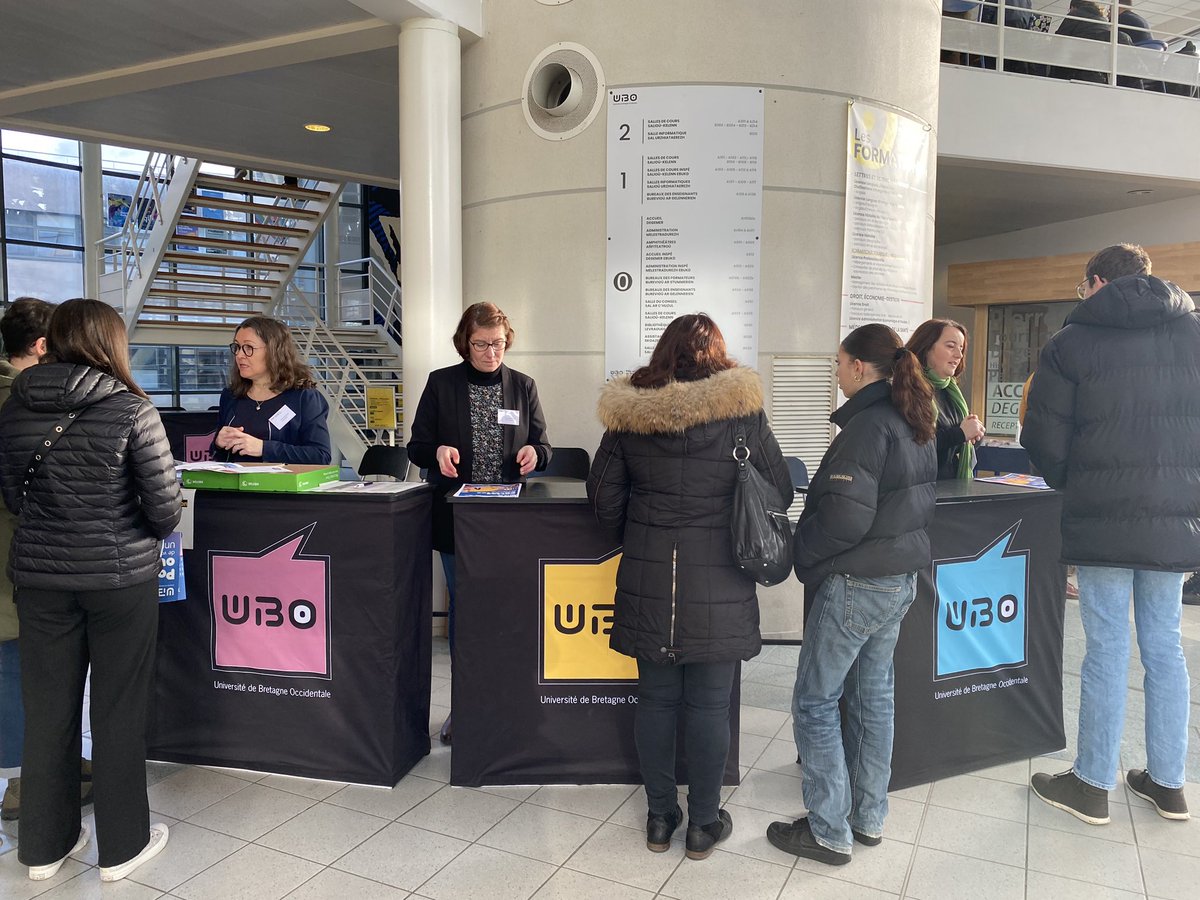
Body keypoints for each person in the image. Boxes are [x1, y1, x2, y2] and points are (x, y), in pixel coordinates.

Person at [587, 314, 792, 861]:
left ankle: (659, 818)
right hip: (720, 579)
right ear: (717, 355)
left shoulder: (630, 415)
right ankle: (703, 824)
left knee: (655, 701)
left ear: (663, 353)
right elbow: (782, 489)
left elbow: (603, 501)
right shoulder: (742, 414)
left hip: (649, 577)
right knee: (708, 706)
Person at [0, 298, 182, 882]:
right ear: (110, 343)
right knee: (117, 711)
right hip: (117, 581)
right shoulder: (131, 409)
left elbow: (14, 498)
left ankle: (43, 849)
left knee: (47, 710)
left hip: (40, 581)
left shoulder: (14, 407)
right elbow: (163, 509)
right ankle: (123, 847)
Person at [1022, 243, 1199, 825]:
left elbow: (1045, 439)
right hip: (1176, 517)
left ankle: (1093, 782)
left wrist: (1077, 481)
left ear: (1095, 281)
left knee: (1106, 648)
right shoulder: (1193, 335)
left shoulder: (1071, 343)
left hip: (1101, 517)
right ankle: (1169, 783)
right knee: (1165, 645)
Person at [766, 324, 937, 866]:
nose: (837, 373)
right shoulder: (912, 418)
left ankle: (827, 830)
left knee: (816, 702)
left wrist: (800, 550)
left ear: (860, 368)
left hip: (856, 583)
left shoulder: (866, 427)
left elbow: (842, 517)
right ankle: (866, 819)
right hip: (897, 579)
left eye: (839, 364)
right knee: (872, 701)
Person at [407, 302, 552, 742]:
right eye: (482, 344)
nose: (492, 353)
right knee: (466, 614)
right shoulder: (441, 383)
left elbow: (544, 445)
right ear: (464, 343)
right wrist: (436, 452)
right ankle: (465, 708)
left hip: (508, 523)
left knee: (509, 613)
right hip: (459, 520)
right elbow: (416, 446)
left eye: (499, 344)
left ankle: (509, 704)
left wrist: (535, 455)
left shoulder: (522, 386)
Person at [0, 297, 95, 823]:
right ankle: (22, 781)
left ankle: (48, 763)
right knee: (19, 669)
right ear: (42, 346)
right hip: (23, 562)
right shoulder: (19, 403)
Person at [211, 316, 332, 464]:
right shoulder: (230, 396)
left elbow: (320, 456)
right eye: (237, 347)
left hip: (280, 485)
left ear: (273, 352)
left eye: (248, 348)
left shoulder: (304, 398)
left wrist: (263, 448)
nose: (239, 355)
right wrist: (218, 443)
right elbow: (219, 456)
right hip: (234, 484)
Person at [905, 318, 984, 478]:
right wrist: (961, 433)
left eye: (961, 348)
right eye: (950, 346)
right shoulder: (907, 389)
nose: (959, 355)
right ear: (926, 347)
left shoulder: (951, 392)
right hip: (921, 487)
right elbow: (911, 446)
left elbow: (954, 446)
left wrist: (975, 434)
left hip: (951, 485)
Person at [1050, 1, 1135, 84]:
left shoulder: (1075, 15)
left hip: (1079, 68)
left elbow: (1058, 39)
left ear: (1073, 7)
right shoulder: (1103, 20)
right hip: (1101, 72)